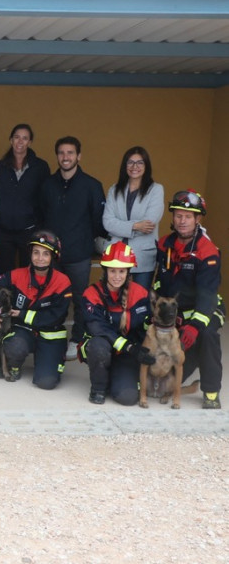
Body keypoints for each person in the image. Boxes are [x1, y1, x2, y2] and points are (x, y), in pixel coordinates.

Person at [153, 190, 223, 409]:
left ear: (197, 219)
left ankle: (211, 392)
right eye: (178, 215)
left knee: (208, 335)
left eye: (188, 216)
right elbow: (159, 282)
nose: (182, 221)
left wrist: (194, 326)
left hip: (206, 310)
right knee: (162, 384)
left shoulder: (207, 251)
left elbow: (207, 294)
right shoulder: (164, 244)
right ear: (173, 217)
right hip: (176, 314)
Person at [0, 230, 72, 389]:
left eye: (45, 254)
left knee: (46, 382)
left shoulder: (62, 282)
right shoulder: (16, 275)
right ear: (30, 254)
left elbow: (56, 317)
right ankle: (14, 366)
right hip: (23, 332)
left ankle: (46, 361)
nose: (40, 258)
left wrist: (22, 314)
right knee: (14, 345)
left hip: (50, 336)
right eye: (36, 252)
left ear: (53, 257)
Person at [40, 136, 106, 361]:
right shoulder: (47, 184)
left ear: (78, 156)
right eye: (61, 153)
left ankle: (76, 339)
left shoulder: (92, 185)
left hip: (78, 254)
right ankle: (51, 337)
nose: (65, 157)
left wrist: (87, 242)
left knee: (79, 299)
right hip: (52, 255)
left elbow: (98, 221)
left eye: (70, 153)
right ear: (57, 156)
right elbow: (41, 217)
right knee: (52, 297)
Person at [78, 241, 153, 405]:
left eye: (122, 271)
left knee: (128, 398)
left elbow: (146, 326)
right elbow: (98, 328)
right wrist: (129, 347)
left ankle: (115, 377)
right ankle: (98, 388)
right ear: (105, 271)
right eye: (112, 271)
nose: (117, 276)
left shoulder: (140, 294)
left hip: (127, 355)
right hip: (104, 348)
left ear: (128, 272)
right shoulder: (91, 294)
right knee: (99, 347)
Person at [102, 146, 164, 289]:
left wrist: (120, 226)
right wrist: (135, 226)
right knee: (113, 302)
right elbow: (107, 222)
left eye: (140, 162)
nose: (134, 166)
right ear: (125, 166)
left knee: (139, 304)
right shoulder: (114, 189)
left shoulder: (156, 190)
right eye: (130, 162)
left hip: (142, 257)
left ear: (146, 166)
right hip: (115, 257)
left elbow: (149, 223)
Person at [0, 124, 50, 272]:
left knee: (28, 272)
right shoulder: (0, 166)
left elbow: (45, 199)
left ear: (30, 142)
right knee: (5, 273)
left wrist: (40, 226)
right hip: (3, 231)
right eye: (17, 137)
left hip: (29, 230)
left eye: (25, 138)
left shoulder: (40, 167)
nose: (20, 141)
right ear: (11, 140)